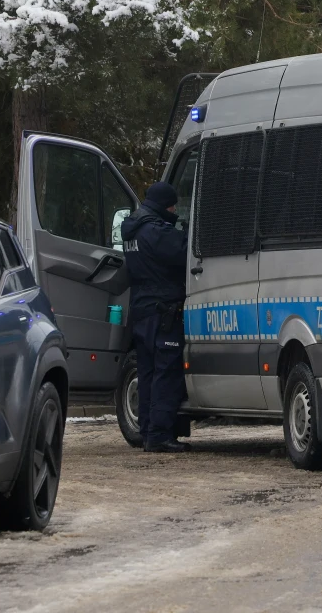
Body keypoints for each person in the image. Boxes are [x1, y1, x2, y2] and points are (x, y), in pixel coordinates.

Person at [121, 182, 189, 453]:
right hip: (164, 312)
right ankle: (160, 435)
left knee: (148, 373)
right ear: (163, 205)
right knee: (166, 373)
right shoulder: (157, 232)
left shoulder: (132, 230)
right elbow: (187, 250)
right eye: (172, 206)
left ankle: (148, 431)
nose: (174, 210)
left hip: (141, 311)